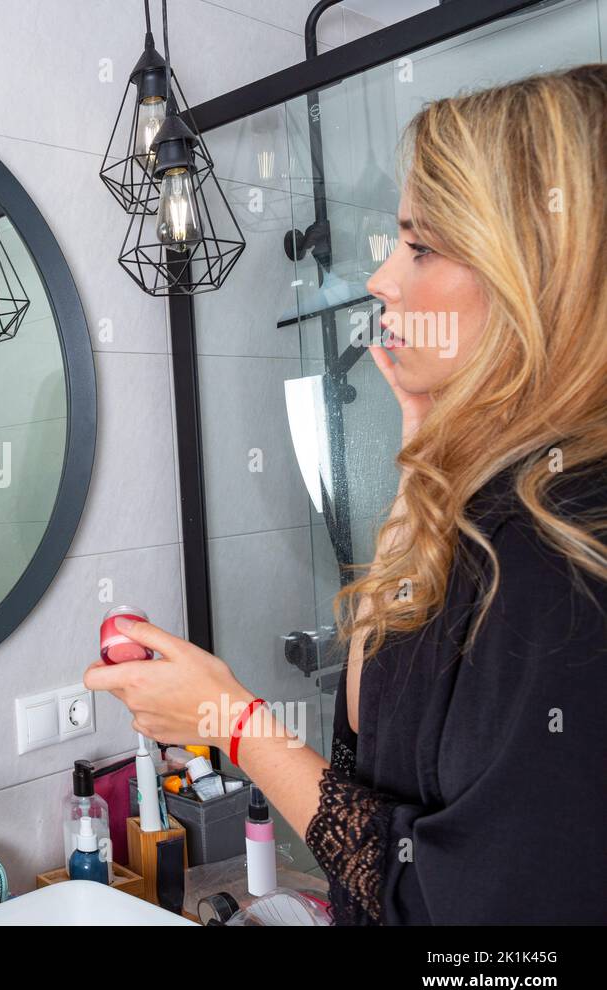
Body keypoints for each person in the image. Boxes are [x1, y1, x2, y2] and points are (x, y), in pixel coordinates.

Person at [84, 65, 607, 924]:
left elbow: (461, 924)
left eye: (422, 245)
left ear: (538, 273)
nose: (382, 279)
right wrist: (425, 451)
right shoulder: (498, 506)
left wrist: (232, 719)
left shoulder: (562, 550)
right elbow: (375, 735)